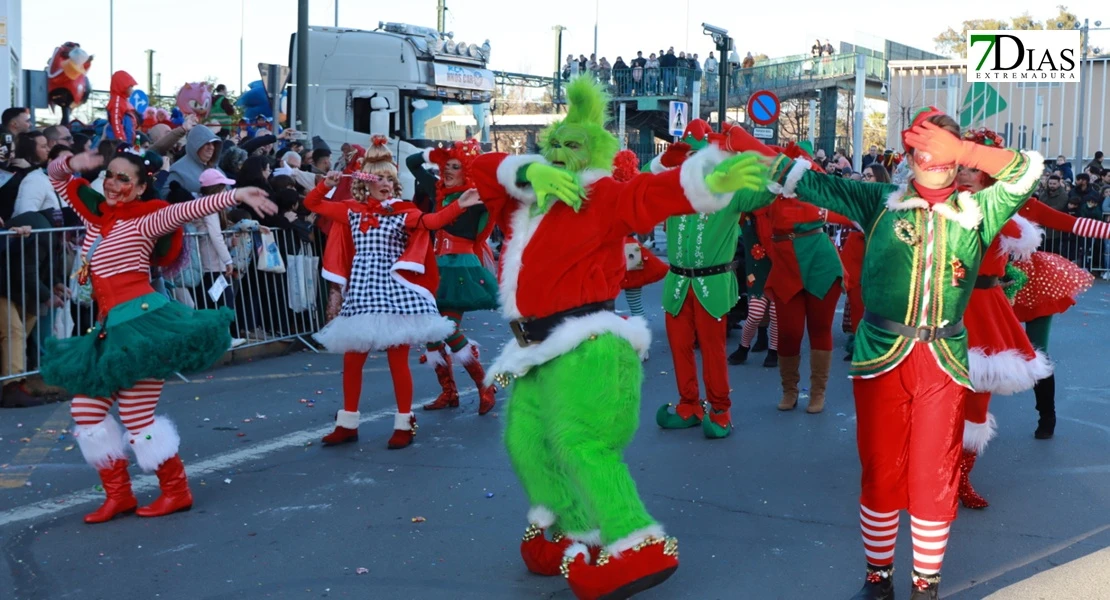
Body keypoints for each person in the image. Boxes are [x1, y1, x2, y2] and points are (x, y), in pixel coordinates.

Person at [464, 77, 770, 599]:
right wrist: (529, 170)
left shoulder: (601, 194)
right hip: (534, 352)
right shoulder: (527, 201)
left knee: (582, 445)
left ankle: (636, 541)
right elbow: (482, 171)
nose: (559, 153)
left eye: (571, 145)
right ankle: (574, 532)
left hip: (586, 346)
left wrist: (710, 178)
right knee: (526, 443)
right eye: (552, 144)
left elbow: (647, 195)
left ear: (596, 153)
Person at [756, 107, 1041, 599]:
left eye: (946, 150)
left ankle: (924, 586)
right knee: (880, 467)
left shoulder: (981, 209)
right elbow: (807, 181)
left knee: (934, 473)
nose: (936, 160)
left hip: (944, 361)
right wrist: (750, 152)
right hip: (881, 355)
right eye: (925, 149)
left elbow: (1027, 171)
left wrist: (968, 150)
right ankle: (878, 579)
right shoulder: (878, 201)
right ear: (909, 157)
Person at [44, 148, 275, 524]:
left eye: (123, 179)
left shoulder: (145, 220)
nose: (113, 183)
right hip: (108, 329)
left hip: (143, 326)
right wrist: (72, 164)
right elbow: (56, 177)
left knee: (136, 416)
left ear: (139, 188)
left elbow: (184, 210)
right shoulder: (96, 216)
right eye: (110, 175)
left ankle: (176, 491)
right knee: (86, 411)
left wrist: (235, 195)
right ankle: (119, 496)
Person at [306, 138, 476, 449]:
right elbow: (313, 205)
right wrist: (326, 185)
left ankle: (404, 422)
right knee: (353, 361)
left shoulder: (402, 211)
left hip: (395, 295)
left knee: (398, 361)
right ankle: (347, 423)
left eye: (390, 178)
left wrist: (459, 204)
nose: (386, 183)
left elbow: (433, 221)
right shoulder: (351, 211)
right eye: (379, 178)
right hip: (362, 294)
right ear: (365, 182)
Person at [950, 128, 1054, 509]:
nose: (963, 173)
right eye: (960, 166)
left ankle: (961, 478)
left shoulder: (999, 209)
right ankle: (936, 476)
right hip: (950, 306)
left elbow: (1036, 216)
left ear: (988, 174)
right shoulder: (942, 206)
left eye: (973, 167)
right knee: (940, 396)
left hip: (987, 309)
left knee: (977, 402)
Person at [652, 120, 762, 438]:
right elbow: (636, 181)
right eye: (688, 157)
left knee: (713, 350)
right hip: (677, 284)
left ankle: (720, 408)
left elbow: (767, 188)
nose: (693, 164)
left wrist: (747, 149)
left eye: (699, 157)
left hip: (711, 285)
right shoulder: (673, 188)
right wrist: (661, 162)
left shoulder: (731, 191)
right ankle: (689, 405)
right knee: (679, 347)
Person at [405, 139, 499, 415]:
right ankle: (449, 393)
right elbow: (412, 163)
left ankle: (485, 385)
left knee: (446, 329)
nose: (447, 170)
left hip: (460, 270)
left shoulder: (478, 197)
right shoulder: (438, 192)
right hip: (435, 268)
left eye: (455, 166)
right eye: (445, 166)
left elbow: (504, 195)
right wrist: (434, 154)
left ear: (466, 171)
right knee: (431, 334)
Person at [1009, 194, 1110, 439]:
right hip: (991, 285)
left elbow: (1072, 223)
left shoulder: (1027, 204)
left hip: (1034, 282)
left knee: (1038, 353)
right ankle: (971, 419)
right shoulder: (975, 202)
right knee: (982, 352)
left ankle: (1047, 415)